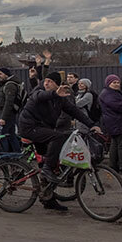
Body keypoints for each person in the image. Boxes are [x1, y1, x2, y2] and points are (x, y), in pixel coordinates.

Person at [18, 71, 102, 211]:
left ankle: (48, 199)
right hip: (29, 127)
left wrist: (92, 125)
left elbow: (75, 111)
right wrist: (54, 93)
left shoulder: (60, 98)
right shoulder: (39, 92)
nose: (46, 83)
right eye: (46, 80)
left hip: (43, 128)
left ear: (57, 84)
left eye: (50, 81)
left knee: (51, 159)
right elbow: (41, 96)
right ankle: (47, 169)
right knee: (57, 139)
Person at [99, 74, 122, 172]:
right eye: (114, 82)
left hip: (114, 123)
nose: (117, 84)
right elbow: (120, 106)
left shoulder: (111, 92)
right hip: (118, 122)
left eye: (118, 82)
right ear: (108, 83)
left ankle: (113, 165)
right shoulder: (109, 94)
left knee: (115, 144)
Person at [0, 66, 23, 153]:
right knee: (11, 136)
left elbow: (9, 103)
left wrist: (3, 118)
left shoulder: (10, 85)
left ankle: (5, 156)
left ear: (6, 75)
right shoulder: (5, 83)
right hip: (5, 115)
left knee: (2, 137)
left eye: (0, 74)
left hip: (6, 116)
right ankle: (16, 155)